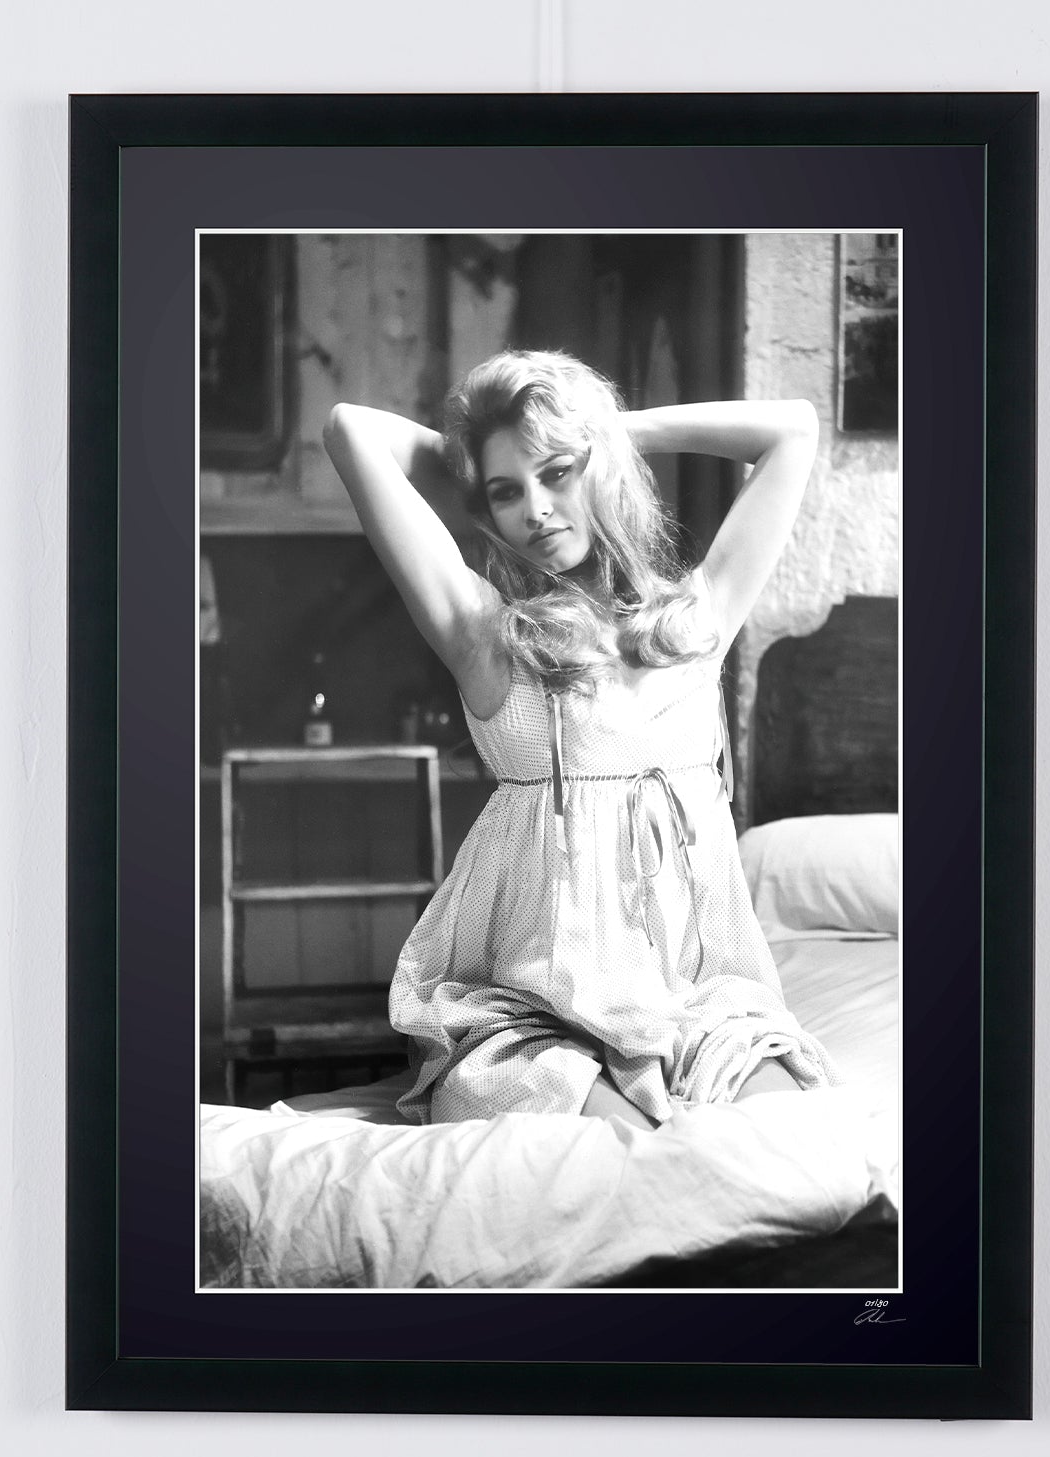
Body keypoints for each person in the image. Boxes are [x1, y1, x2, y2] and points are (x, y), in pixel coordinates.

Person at [323, 349, 836, 1132]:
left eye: (557, 473)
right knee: (622, 1157)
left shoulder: (699, 619)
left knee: (783, 1140)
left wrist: (605, 432)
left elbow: (792, 431)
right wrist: (482, 455)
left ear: (602, 468)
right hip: (536, 1020)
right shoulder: (483, 634)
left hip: (699, 1007)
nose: (535, 509)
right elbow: (349, 429)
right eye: (506, 492)